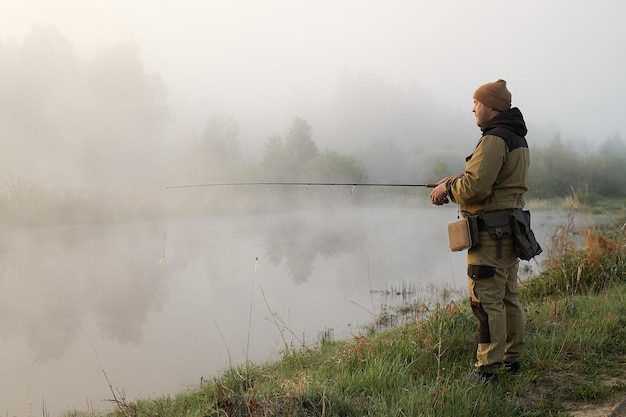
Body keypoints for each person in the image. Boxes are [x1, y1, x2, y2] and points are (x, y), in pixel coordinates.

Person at [429, 79, 529, 384]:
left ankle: (487, 369)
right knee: (508, 297)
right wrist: (454, 180)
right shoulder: (516, 138)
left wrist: (447, 189)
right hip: (509, 233)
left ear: (492, 107)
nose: (473, 108)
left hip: (490, 237)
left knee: (485, 301)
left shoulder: (495, 139)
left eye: (476, 103)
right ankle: (512, 359)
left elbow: (476, 187)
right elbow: (489, 180)